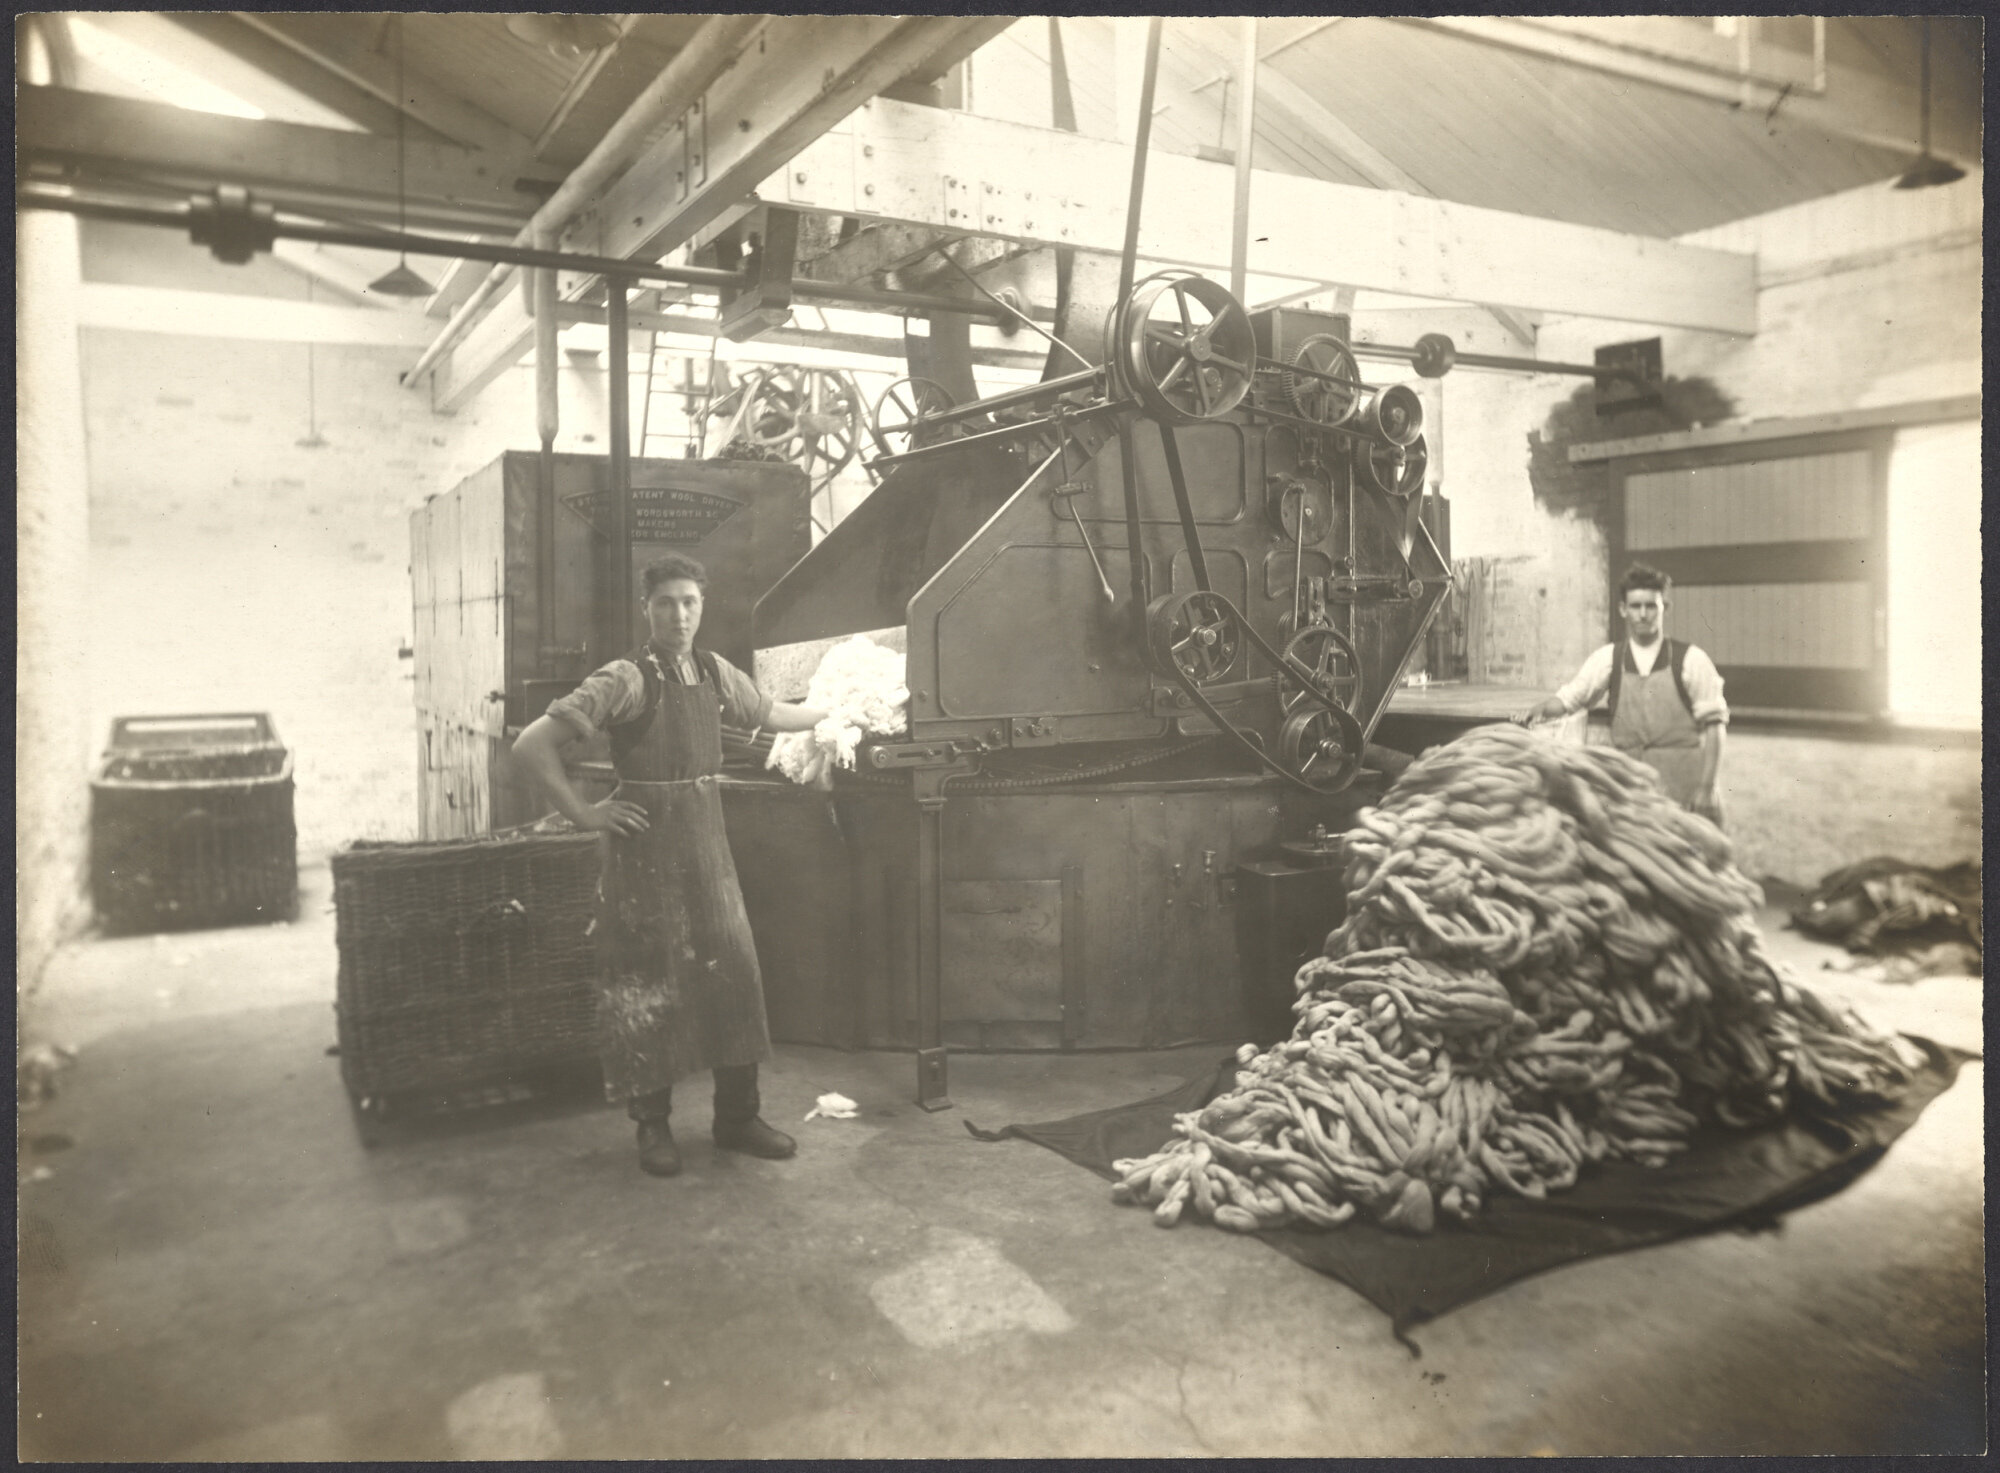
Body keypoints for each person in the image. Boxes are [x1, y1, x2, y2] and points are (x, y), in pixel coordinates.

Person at [513, 553, 828, 1178]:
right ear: (646, 609)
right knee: (647, 983)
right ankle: (652, 1125)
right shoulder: (626, 677)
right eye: (665, 603)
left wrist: (842, 715)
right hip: (644, 852)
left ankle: (736, 1119)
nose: (679, 615)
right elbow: (531, 745)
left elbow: (770, 713)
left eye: (689, 602)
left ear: (702, 607)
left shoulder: (712, 670)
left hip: (707, 847)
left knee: (733, 975)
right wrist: (585, 814)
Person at [1515, 563, 1728, 827]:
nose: (1643, 614)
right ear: (1623, 609)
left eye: (1651, 606)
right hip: (1631, 789)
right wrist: (1538, 710)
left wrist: (1707, 787)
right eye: (1636, 606)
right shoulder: (1608, 659)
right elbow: (1569, 699)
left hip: (1685, 788)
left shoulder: (1692, 660)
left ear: (1664, 608)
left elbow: (1715, 727)